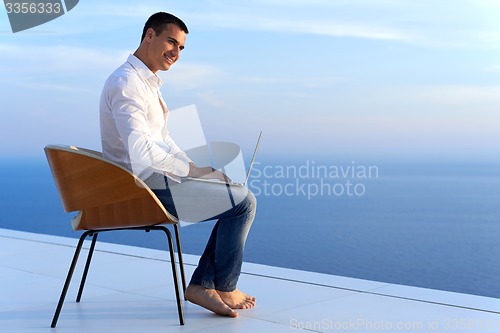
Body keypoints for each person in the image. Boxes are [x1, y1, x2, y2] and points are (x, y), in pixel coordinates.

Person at [99, 12, 257, 318]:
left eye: (182, 47)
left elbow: (164, 140)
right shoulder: (126, 82)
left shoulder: (148, 83)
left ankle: (208, 284)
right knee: (243, 203)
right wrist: (191, 173)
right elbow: (141, 150)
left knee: (236, 192)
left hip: (155, 181)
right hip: (141, 189)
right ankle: (215, 285)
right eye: (172, 41)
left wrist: (199, 170)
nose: (176, 52)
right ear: (149, 36)